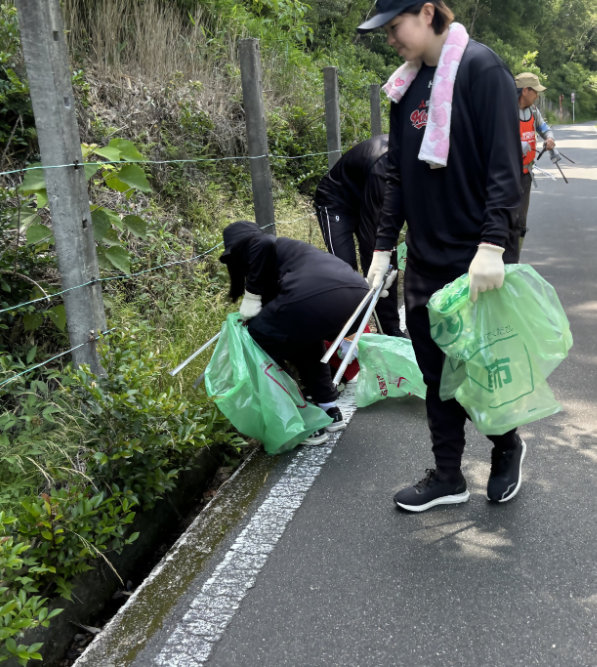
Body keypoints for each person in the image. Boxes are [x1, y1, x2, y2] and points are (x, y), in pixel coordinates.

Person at [357, 0, 526, 511]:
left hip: (478, 253)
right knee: (435, 369)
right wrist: (383, 249)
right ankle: (449, 475)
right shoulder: (405, 86)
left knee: (481, 362)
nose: (390, 38)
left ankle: (506, 447)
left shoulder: (480, 67)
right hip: (427, 255)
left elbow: (505, 165)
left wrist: (493, 245)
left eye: (395, 26)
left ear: (427, 12)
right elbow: (398, 176)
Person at [219, 221, 369, 444]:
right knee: (306, 342)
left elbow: (262, 242)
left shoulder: (266, 246)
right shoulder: (291, 256)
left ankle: (302, 419)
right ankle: (329, 409)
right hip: (358, 294)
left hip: (314, 295)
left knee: (255, 342)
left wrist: (251, 296)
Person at [314, 135, 405, 337]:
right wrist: (379, 263)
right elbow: (373, 239)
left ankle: (390, 329)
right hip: (337, 202)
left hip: (367, 197)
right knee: (347, 271)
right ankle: (352, 333)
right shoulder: (384, 168)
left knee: (388, 263)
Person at [505, 72, 555, 263]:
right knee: (503, 218)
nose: (538, 95)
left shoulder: (533, 110)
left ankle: (514, 261)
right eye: (535, 91)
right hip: (506, 175)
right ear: (525, 90)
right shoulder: (505, 110)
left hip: (525, 175)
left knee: (520, 221)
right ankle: (499, 260)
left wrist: (549, 138)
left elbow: (544, 128)